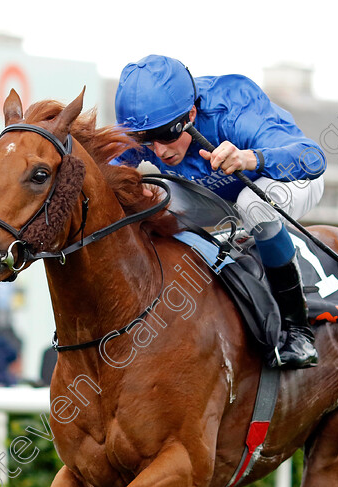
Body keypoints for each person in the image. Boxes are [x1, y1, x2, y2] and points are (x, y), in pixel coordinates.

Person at [114, 54, 326, 369]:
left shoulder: (234, 110)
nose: (159, 151)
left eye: (168, 135)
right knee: (150, 202)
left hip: (283, 181)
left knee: (252, 205)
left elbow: (313, 158)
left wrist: (250, 159)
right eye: (146, 140)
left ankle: (298, 332)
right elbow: (104, 174)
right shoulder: (148, 120)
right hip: (214, 196)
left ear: (192, 113)